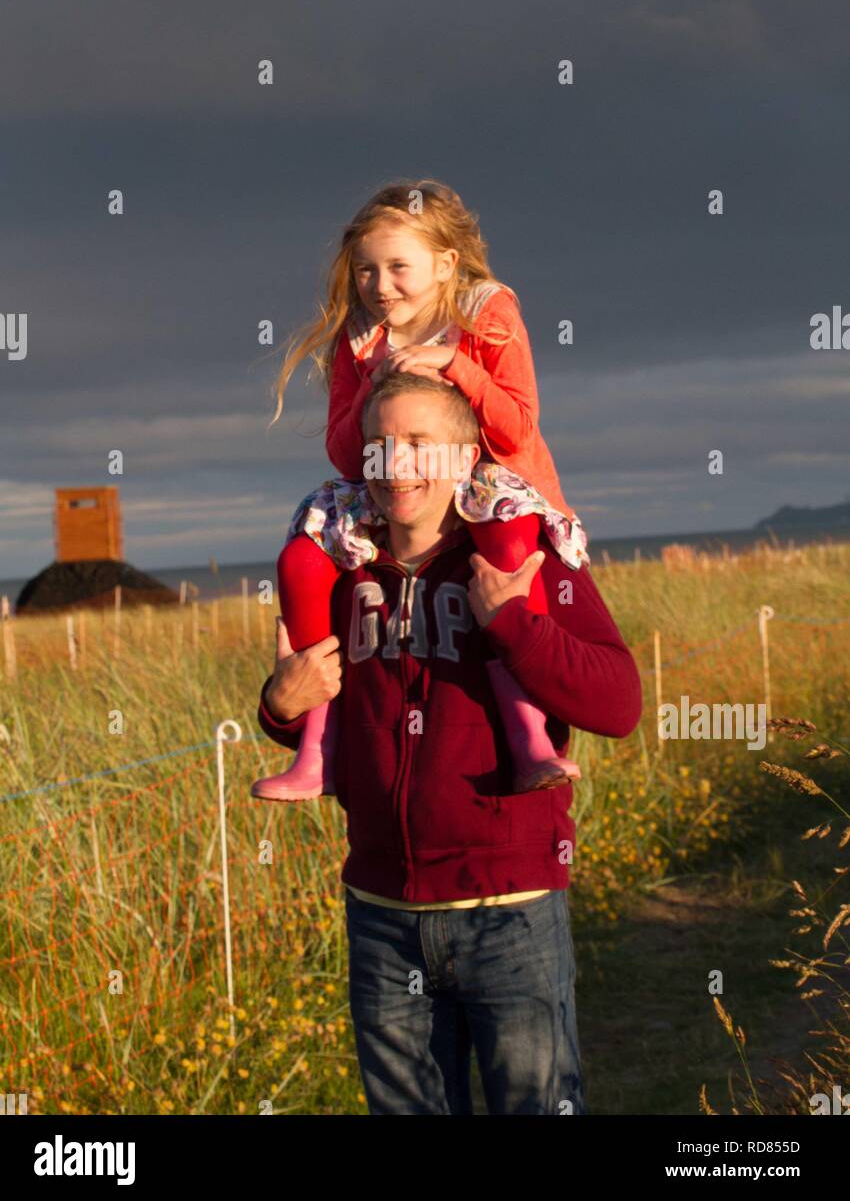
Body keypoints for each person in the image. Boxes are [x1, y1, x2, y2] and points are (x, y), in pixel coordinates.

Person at [254, 373, 642, 1115]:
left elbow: (619, 704)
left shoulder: (525, 565)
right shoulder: (340, 569)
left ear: (466, 459)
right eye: (378, 447)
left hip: (510, 909)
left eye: (419, 445)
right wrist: (279, 704)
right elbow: (307, 701)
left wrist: (515, 624)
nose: (396, 464)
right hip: (381, 911)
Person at [253, 177, 591, 801]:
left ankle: (530, 738)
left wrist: (454, 367)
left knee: (511, 548)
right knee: (299, 559)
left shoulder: (486, 311)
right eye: (364, 270)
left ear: (445, 264)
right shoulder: (360, 335)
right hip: (392, 485)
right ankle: (317, 748)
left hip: (489, 481)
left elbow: (517, 428)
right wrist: (369, 394)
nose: (379, 286)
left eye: (397, 267)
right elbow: (345, 452)